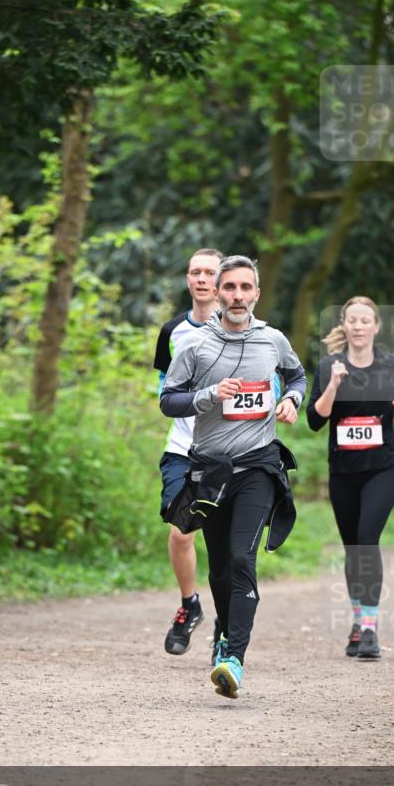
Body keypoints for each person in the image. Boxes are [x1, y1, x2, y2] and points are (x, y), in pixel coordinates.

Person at [160, 255, 306, 698]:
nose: (238, 296)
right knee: (221, 568)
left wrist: (293, 400)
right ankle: (224, 632)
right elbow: (169, 400)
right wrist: (209, 395)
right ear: (219, 293)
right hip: (211, 472)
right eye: (230, 288)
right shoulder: (195, 345)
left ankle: (233, 659)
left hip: (258, 467)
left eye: (246, 287)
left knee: (243, 559)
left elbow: (297, 376)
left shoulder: (273, 339)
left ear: (256, 293)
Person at [306, 297, 394, 660]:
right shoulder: (329, 366)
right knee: (352, 548)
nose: (359, 326)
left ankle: (369, 629)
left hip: (383, 468)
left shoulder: (392, 363)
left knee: (366, 539)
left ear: (376, 327)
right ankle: (358, 620)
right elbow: (315, 421)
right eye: (352, 320)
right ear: (344, 326)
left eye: (365, 320)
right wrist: (333, 385)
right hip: (343, 471)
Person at [154, 248, 224, 657]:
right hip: (182, 448)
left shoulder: (239, 329)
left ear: (221, 280)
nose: (201, 279)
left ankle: (227, 621)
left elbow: (267, 380)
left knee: (223, 538)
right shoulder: (172, 330)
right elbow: (165, 388)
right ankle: (189, 605)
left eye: (209, 272)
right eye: (195, 272)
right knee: (181, 533)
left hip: (226, 449)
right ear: (187, 279)